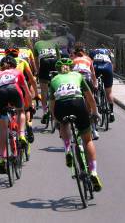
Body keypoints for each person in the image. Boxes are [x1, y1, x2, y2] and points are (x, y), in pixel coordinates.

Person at [49, 58, 103, 192]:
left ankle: (67, 150)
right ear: (70, 68)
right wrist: (95, 112)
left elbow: (51, 103)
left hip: (61, 106)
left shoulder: (54, 80)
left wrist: (55, 119)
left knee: (63, 123)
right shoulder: (78, 75)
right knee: (87, 139)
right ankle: (94, 172)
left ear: (58, 70)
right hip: (78, 103)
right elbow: (89, 96)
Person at [0, 55, 32, 174]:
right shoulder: (17, 71)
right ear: (14, 65)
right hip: (14, 90)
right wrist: (28, 104)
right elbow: (27, 92)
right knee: (20, 111)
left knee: (3, 128)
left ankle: (3, 159)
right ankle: (22, 135)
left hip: (1, 95)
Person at [33, 33, 60, 124]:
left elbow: (36, 60)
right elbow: (59, 57)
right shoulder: (54, 42)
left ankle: (44, 111)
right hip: (54, 61)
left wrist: (37, 71)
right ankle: (57, 108)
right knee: (57, 88)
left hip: (44, 62)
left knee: (44, 90)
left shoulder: (37, 44)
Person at [89, 45, 115, 122]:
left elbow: (89, 64)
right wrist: (110, 74)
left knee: (93, 84)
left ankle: (95, 95)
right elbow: (113, 64)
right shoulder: (109, 51)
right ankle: (111, 113)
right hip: (107, 67)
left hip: (96, 67)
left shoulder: (92, 51)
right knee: (109, 92)